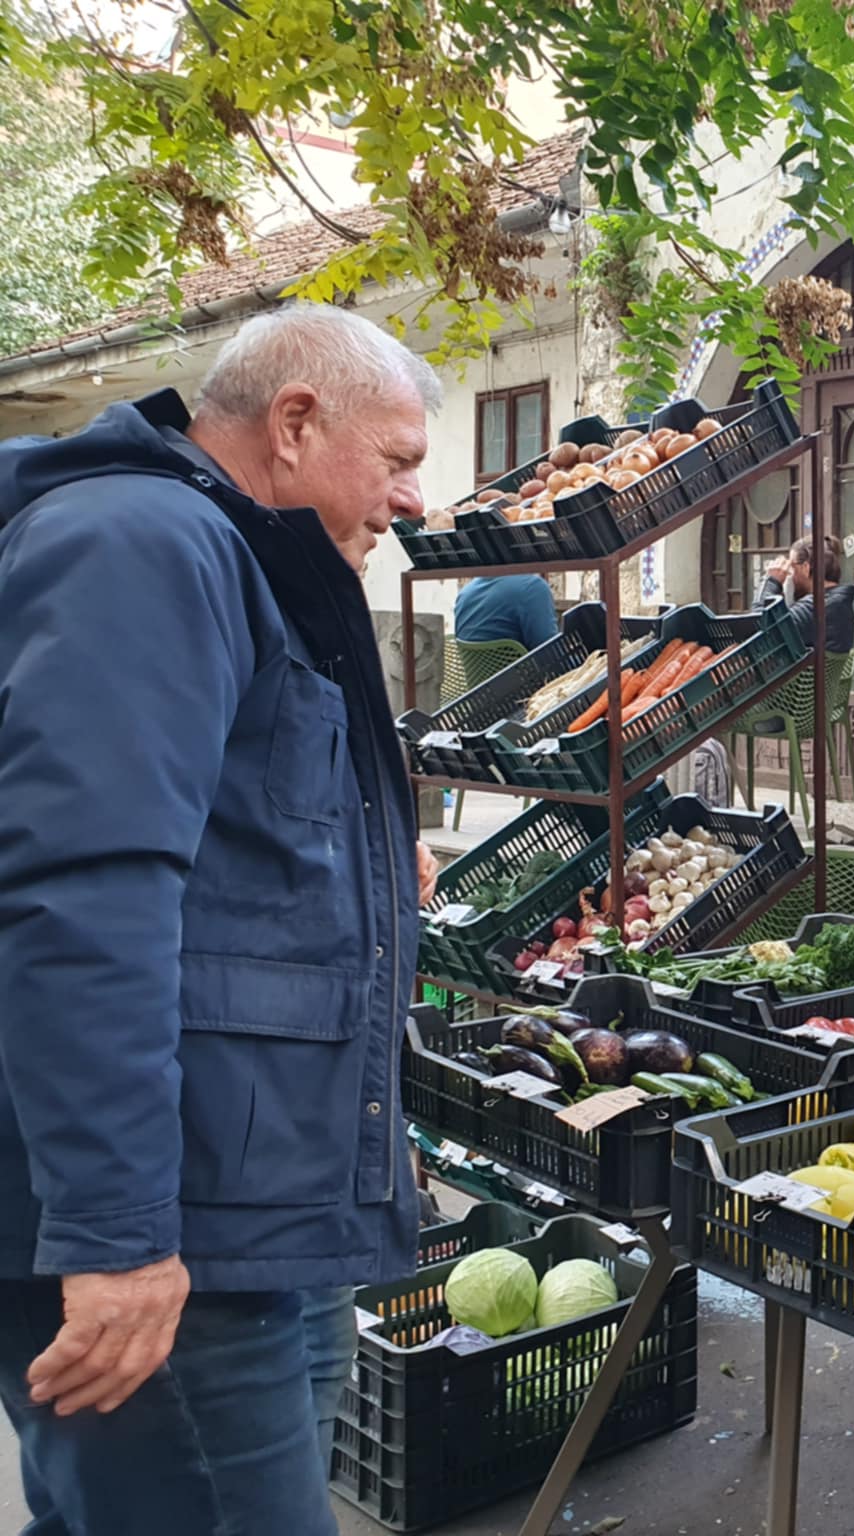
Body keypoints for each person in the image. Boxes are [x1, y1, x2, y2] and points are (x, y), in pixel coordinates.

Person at [0, 303, 442, 1534]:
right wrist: (117, 1237)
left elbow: (230, 875)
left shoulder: (240, 559)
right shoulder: (143, 545)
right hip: (173, 1227)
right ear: (294, 424)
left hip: (257, 1211)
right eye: (399, 460)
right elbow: (85, 896)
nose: (415, 502)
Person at [759, 533, 854, 653]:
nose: (790, 576)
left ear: (805, 567)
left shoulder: (817, 606)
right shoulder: (835, 602)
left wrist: (772, 581)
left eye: (792, 567)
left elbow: (759, 631)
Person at [453, 572, 558, 650]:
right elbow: (550, 653)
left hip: (480, 680)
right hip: (522, 678)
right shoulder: (532, 587)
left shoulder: (465, 594)